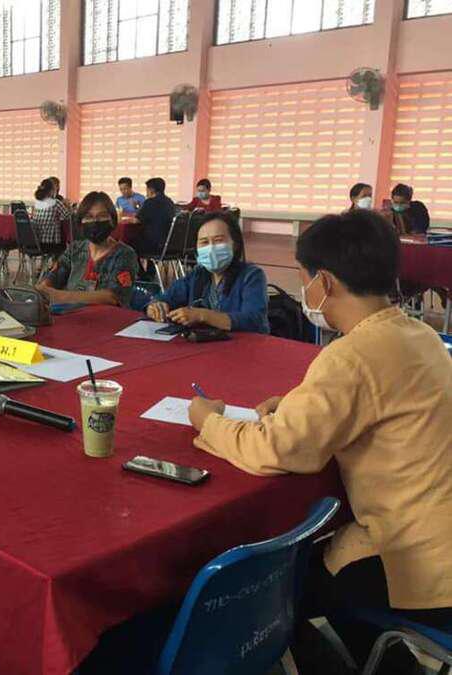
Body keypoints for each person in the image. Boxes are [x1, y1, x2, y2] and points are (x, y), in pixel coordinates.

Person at [187, 209, 452, 674]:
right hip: (440, 535)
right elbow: (370, 398)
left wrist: (208, 422)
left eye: (305, 278)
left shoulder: (350, 355)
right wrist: (294, 404)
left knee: (282, 593)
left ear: (324, 282)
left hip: (424, 564)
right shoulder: (420, 334)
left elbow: (278, 450)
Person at [145, 211, 268, 334]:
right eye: (204, 242)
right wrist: (156, 306)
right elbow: (166, 297)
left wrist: (202, 315)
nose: (211, 248)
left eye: (218, 240)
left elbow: (254, 321)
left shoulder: (251, 276)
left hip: (241, 344)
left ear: (235, 244)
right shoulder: (197, 275)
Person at [37, 192, 138, 307]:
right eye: (88, 217)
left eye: (102, 216)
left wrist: (59, 296)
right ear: (81, 223)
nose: (95, 221)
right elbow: (54, 276)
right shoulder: (75, 249)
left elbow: (113, 297)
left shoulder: (124, 254)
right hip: (72, 315)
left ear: (113, 220)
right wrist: (43, 290)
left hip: (107, 316)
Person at [132, 177, 175, 256]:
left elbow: (136, 220)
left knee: (128, 242)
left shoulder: (150, 202)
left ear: (151, 190)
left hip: (153, 244)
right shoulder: (170, 202)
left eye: (147, 189)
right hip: (170, 244)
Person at [33, 178, 71, 251]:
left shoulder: (37, 203)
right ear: (51, 191)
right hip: (52, 243)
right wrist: (68, 206)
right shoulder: (55, 202)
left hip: (38, 242)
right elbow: (68, 216)